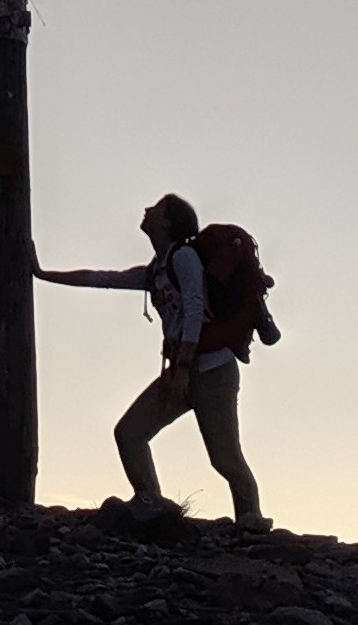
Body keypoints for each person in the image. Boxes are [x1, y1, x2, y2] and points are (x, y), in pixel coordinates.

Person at [33, 193, 271, 528]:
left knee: (224, 457)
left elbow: (193, 307)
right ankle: (153, 506)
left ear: (170, 222)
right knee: (129, 433)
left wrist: (184, 367)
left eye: (157, 209)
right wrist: (43, 274)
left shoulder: (185, 257)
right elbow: (103, 278)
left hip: (212, 371)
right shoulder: (157, 270)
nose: (147, 210)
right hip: (182, 372)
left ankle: (251, 520)